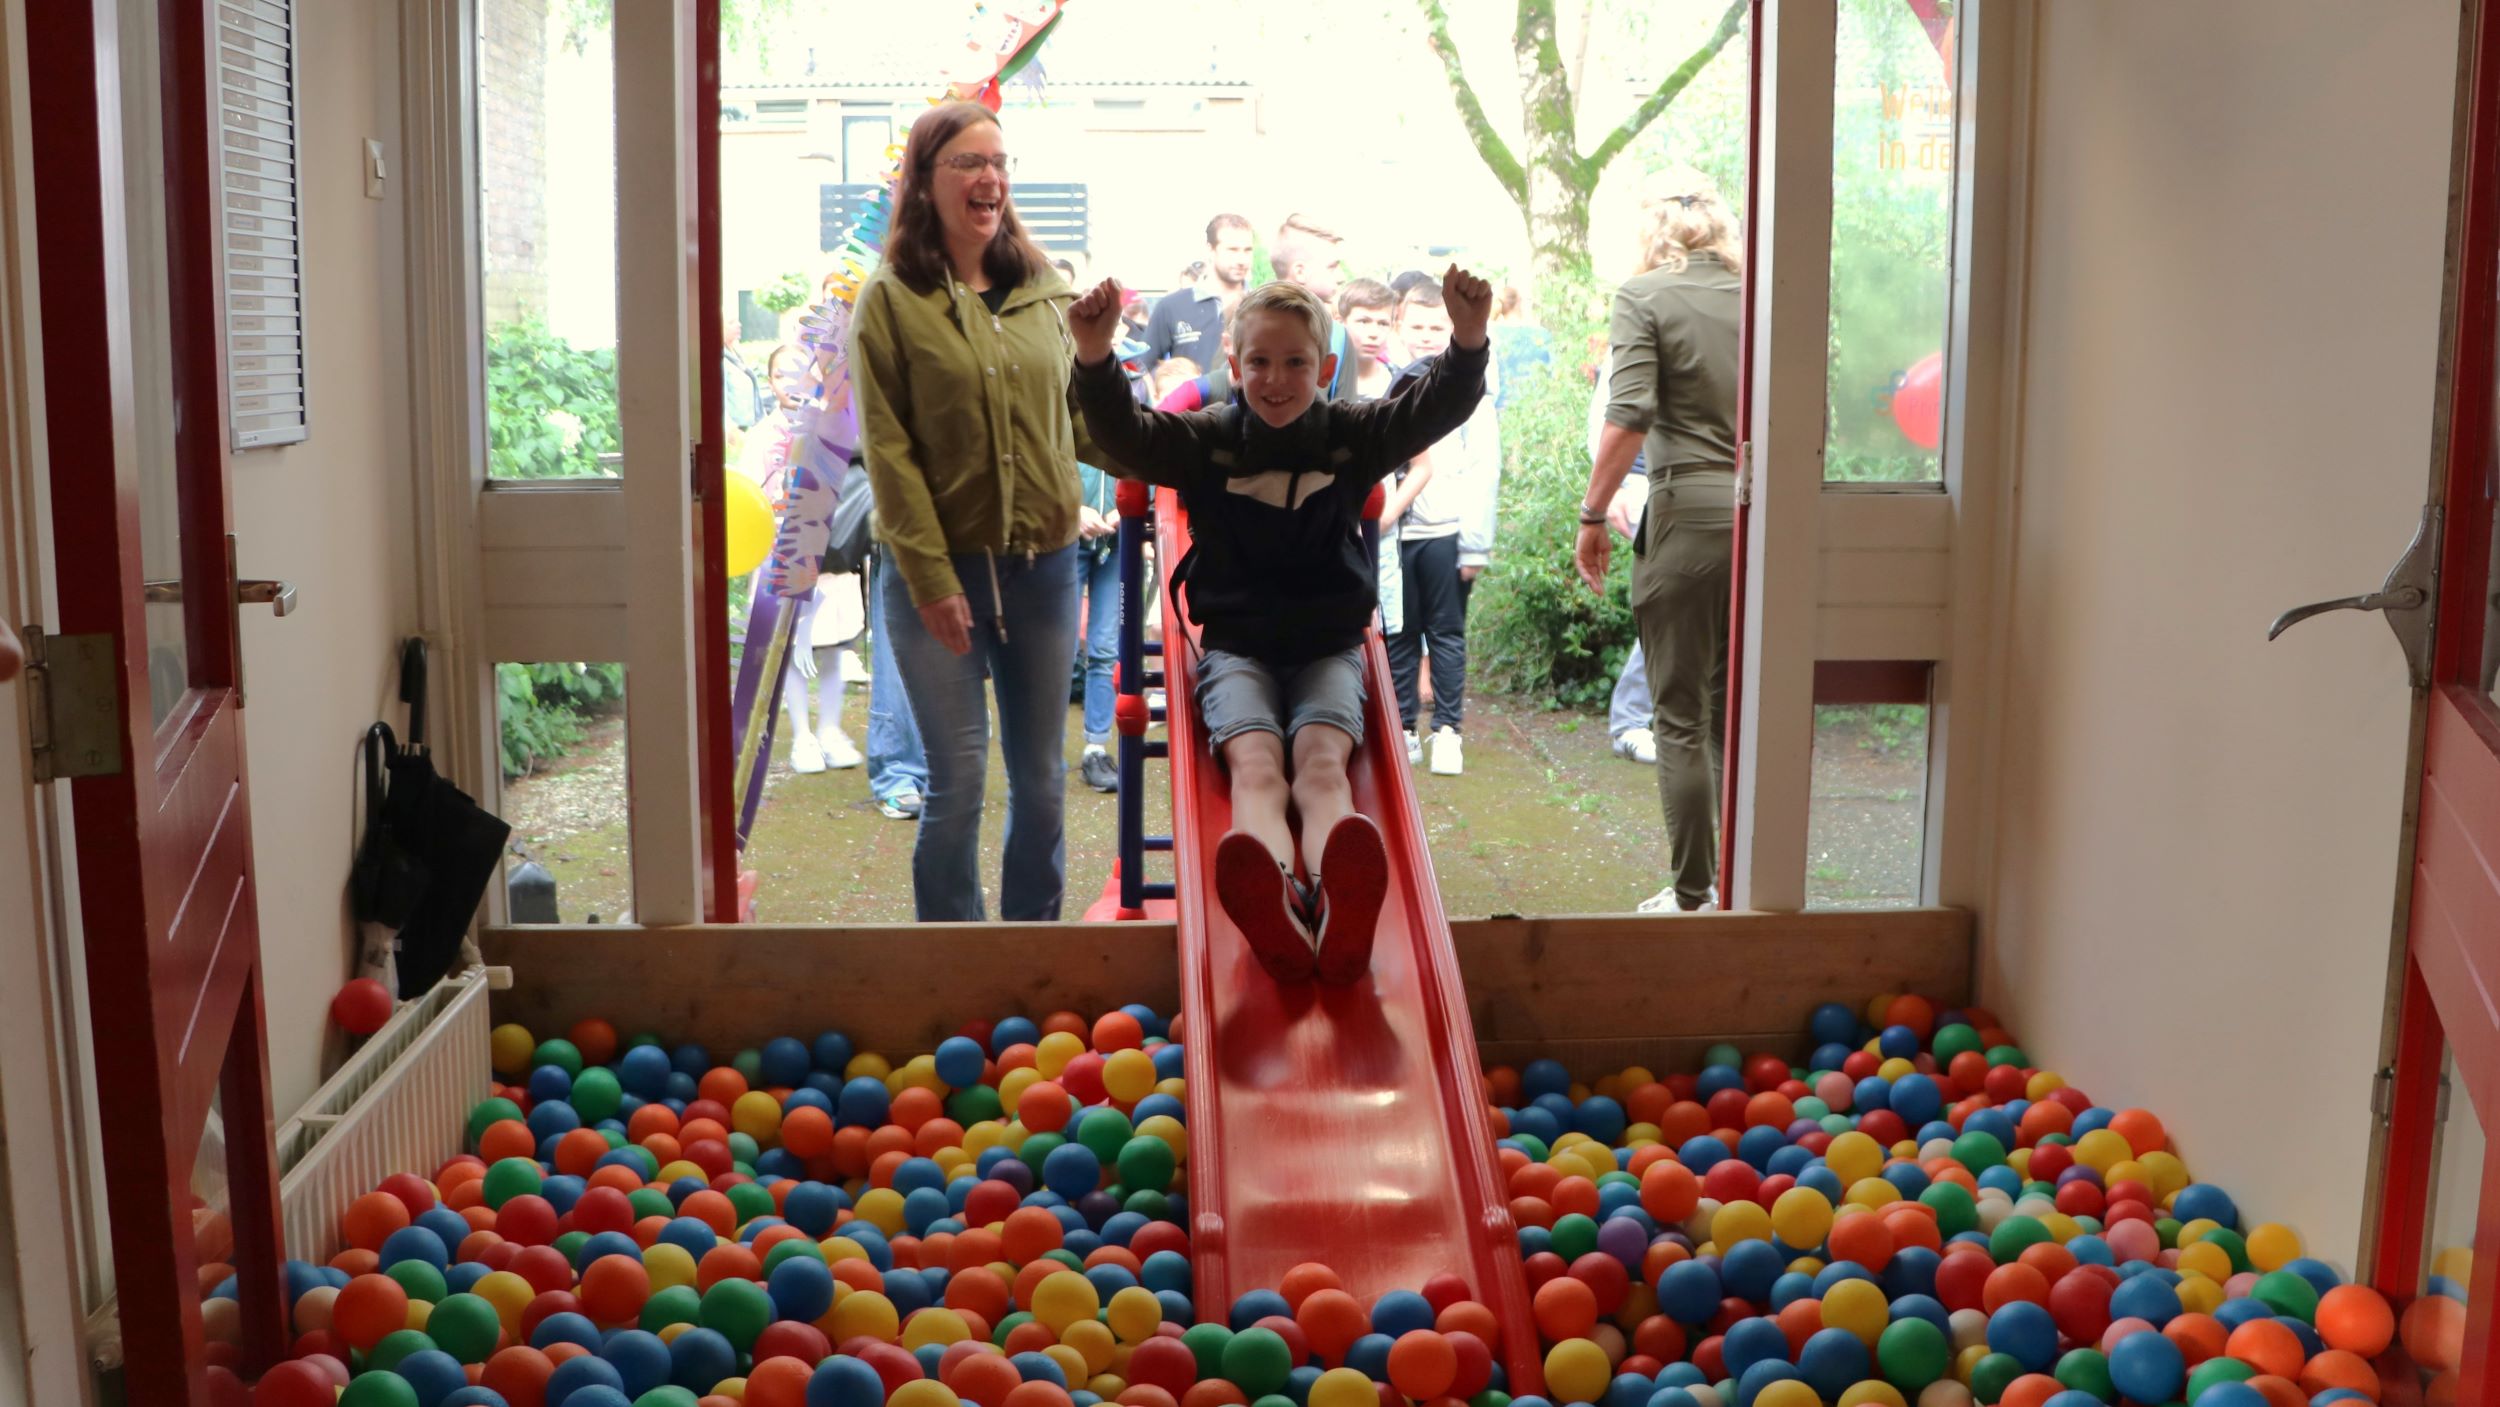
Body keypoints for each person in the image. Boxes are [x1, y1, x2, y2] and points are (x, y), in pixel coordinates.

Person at [1066, 267, 1497, 985]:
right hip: (1237, 651)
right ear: (1233, 366)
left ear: (1325, 369)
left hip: (1328, 647)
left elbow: (1433, 409)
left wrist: (1469, 339)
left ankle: (1336, 899)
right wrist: (1093, 355)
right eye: (1259, 362)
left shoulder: (1350, 436)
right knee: (1258, 766)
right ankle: (1271, 896)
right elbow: (1126, 434)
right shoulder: (1208, 442)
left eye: (1296, 362)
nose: (1276, 378)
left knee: (1324, 768)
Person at [850, 101, 1093, 921]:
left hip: (1045, 572)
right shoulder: (889, 300)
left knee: (1046, 783)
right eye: (966, 162)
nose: (988, 177)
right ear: (924, 181)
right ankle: (953, 967)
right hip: (937, 576)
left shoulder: (1042, 287)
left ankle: (1032, 958)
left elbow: (1084, 421)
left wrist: (1198, 453)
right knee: (955, 788)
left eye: (998, 162)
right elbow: (889, 452)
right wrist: (928, 578)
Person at [1572, 169, 1745, 915]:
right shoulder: (1762, 296)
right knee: (1734, 713)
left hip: (1688, 517)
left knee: (1678, 717)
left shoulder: (1642, 296)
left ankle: (1693, 893)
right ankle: (1741, 880)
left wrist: (1592, 513)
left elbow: (1631, 410)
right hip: (1762, 518)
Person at [1383, 277, 1501, 775]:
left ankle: (1448, 729)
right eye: (1419, 325)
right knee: (1400, 632)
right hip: (1394, 535)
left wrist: (1475, 545)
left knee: (1447, 633)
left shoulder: (1471, 390)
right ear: (1400, 326)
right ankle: (1403, 727)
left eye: (1439, 326)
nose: (1428, 335)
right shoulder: (1391, 381)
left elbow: (1483, 467)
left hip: (1445, 532)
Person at [1142, 214, 1255, 371]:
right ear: (1210, 249)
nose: (1242, 260)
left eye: (1247, 250)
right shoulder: (1171, 307)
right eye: (1233, 250)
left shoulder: (1262, 307)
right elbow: (1143, 368)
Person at [1074, 457, 1122, 793]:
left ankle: (1096, 749)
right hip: (1065, 536)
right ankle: (1039, 749)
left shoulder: (1134, 402)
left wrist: (1133, 504)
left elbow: (1148, 451)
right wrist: (1071, 506)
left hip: (1116, 542)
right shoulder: (1058, 404)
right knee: (1056, 646)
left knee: (1106, 646)